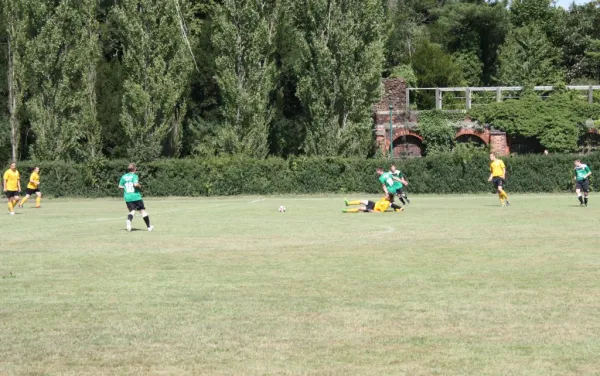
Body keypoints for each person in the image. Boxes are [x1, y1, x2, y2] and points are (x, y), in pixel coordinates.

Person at [118, 163, 154, 232]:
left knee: (132, 211)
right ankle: (149, 227)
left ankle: (129, 220)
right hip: (136, 196)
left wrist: (125, 187)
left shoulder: (123, 176)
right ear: (134, 169)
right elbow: (135, 184)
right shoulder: (134, 176)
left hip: (127, 197)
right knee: (142, 211)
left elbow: (119, 186)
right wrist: (140, 187)